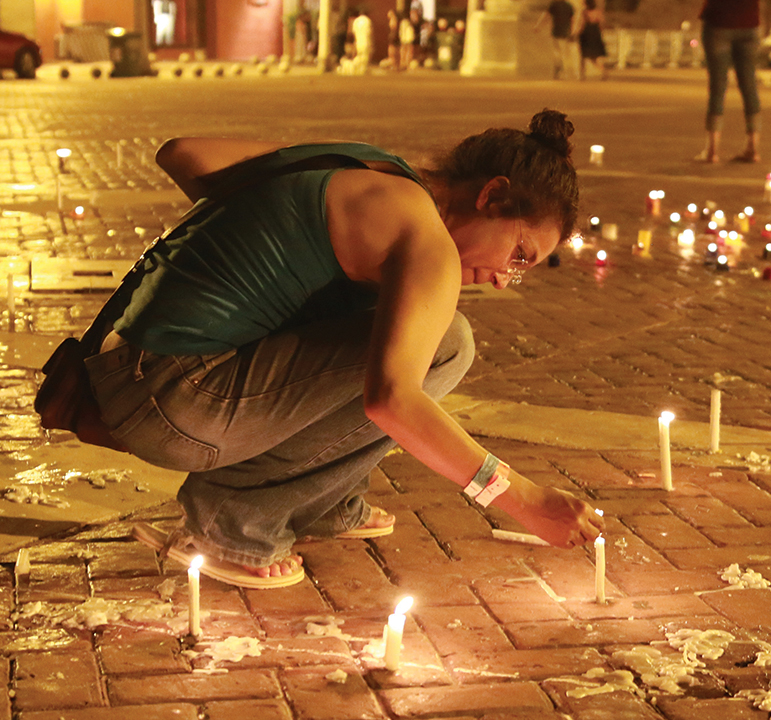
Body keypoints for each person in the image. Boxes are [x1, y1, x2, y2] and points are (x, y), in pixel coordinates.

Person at [89, 110, 604, 587]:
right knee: (446, 345)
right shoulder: (427, 244)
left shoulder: (368, 166)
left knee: (395, 321)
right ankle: (233, 524)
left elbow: (182, 153)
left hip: (126, 369)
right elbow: (392, 402)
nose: (503, 281)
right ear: (492, 195)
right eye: (518, 254)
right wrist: (525, 501)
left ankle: (319, 502)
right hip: (172, 399)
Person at [696, 0, 761, 163]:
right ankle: (753, 147)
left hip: (719, 21)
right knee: (749, 85)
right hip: (749, 22)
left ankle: (712, 151)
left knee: (718, 85)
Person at [535, 0, 577, 80]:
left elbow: (546, 16)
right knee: (565, 53)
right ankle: (566, 72)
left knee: (557, 51)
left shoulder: (554, 4)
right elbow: (573, 19)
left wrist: (538, 26)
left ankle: (559, 71)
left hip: (556, 31)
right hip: (566, 31)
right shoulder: (569, 5)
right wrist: (573, 31)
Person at [577, 0, 607, 80]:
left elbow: (582, 23)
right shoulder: (598, 12)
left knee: (583, 55)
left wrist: (578, 32)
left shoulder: (585, 12)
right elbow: (602, 22)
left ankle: (582, 74)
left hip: (587, 32)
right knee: (595, 56)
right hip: (595, 32)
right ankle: (603, 71)